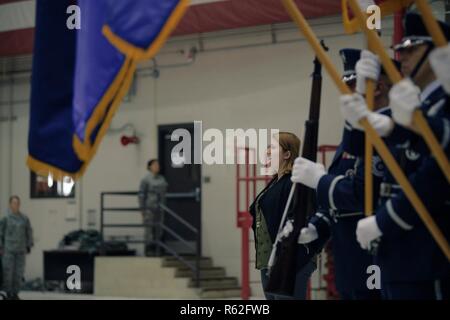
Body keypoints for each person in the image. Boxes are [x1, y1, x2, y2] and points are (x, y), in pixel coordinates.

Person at [341, 12, 450, 299]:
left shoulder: (438, 107)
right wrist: (359, 107)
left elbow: (433, 178)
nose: (401, 56)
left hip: (427, 251)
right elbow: (357, 148)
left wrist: (384, 220)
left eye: (411, 48)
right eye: (400, 49)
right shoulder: (418, 108)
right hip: (399, 251)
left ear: (436, 51)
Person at [291, 48, 397, 299]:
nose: (346, 92)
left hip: (375, 256)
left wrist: (320, 180)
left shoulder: (388, 131)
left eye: (353, 85)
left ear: (378, 88)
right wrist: (317, 227)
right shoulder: (354, 135)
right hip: (349, 260)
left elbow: (363, 194)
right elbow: (335, 201)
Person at [249, 132, 323, 300]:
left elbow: (307, 215)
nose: (267, 151)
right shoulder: (274, 183)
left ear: (287, 154)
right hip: (268, 259)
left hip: (289, 258)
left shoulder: (295, 182)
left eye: (273, 147)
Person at [0, 196, 33, 300]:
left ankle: (15, 293)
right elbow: (1, 233)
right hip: (8, 250)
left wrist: (29, 244)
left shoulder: (24, 219)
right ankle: (7, 293)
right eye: (14, 203)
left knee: (18, 273)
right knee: (7, 273)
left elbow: (29, 232)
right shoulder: (6, 219)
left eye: (17, 203)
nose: (16, 205)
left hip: (20, 250)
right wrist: (0, 246)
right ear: (10, 205)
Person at [138, 159, 168, 256]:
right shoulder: (146, 179)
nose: (157, 166)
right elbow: (142, 195)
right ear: (150, 167)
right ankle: (148, 250)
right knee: (149, 230)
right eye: (155, 165)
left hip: (160, 207)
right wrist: (142, 209)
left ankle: (158, 249)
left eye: (158, 165)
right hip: (150, 207)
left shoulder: (162, 179)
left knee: (159, 229)